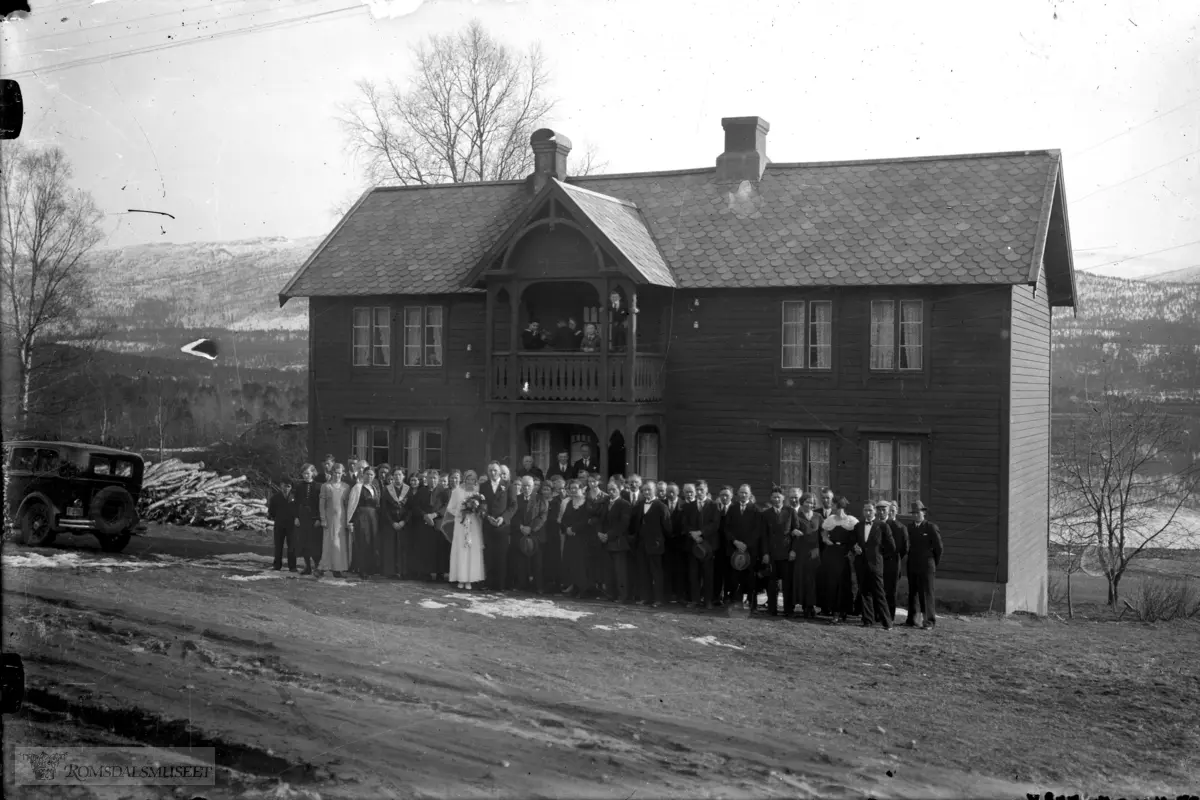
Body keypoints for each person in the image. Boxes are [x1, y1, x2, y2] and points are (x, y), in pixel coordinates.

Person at [851, 502, 895, 630]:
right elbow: (852, 541)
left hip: (875, 565)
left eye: (870, 510)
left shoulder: (882, 526)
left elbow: (891, 547)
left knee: (879, 593)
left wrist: (879, 555)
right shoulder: (858, 526)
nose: (868, 513)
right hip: (861, 564)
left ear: (874, 511)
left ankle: (887, 623)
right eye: (865, 510)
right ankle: (867, 620)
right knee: (864, 592)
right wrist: (855, 547)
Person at [630, 480, 672, 607]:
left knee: (656, 573)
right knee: (643, 571)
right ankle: (645, 597)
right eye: (644, 490)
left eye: (649, 490)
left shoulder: (661, 506)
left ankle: (658, 599)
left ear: (655, 491)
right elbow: (635, 524)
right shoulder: (640, 505)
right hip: (642, 545)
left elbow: (668, 528)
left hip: (655, 545)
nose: (646, 492)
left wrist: (659, 540)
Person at [906, 501, 943, 630]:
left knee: (927, 593)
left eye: (918, 513)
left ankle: (929, 621)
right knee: (913, 592)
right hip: (913, 564)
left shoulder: (930, 527)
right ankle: (913, 619)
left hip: (927, 565)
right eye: (914, 513)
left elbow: (939, 548)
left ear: (924, 513)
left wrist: (933, 562)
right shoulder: (910, 528)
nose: (916, 515)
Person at [820, 497, 858, 623]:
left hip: (844, 554)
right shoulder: (830, 520)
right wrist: (825, 539)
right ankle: (834, 611)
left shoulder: (851, 521)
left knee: (844, 582)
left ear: (841, 507)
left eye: (835, 506)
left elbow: (857, 536)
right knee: (832, 582)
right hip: (831, 553)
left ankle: (844, 610)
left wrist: (853, 548)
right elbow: (824, 532)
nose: (834, 508)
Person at [762, 487, 798, 617]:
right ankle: (772, 609)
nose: (776, 499)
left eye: (778, 497)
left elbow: (795, 532)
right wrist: (765, 553)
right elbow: (764, 535)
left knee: (787, 583)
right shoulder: (766, 514)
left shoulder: (790, 512)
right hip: (772, 554)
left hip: (787, 553)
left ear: (783, 498)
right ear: (770, 499)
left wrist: (793, 550)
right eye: (774, 497)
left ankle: (788, 609)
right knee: (772, 583)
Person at [725, 484, 761, 612]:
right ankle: (737, 602)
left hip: (749, 550)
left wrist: (746, 544)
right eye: (741, 492)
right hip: (735, 548)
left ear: (750, 494)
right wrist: (735, 542)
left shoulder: (755, 510)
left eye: (746, 493)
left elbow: (757, 530)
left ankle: (752, 604)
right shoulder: (732, 509)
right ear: (737, 494)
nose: (743, 495)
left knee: (750, 577)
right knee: (735, 577)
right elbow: (727, 528)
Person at [447, 470, 485, 589]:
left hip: (473, 524)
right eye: (468, 479)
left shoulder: (477, 492)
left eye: (473, 479)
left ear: (475, 481)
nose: (470, 481)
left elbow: (482, 508)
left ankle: (470, 579)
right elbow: (450, 508)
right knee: (461, 549)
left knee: (472, 550)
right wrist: (461, 511)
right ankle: (460, 578)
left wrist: (475, 510)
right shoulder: (457, 491)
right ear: (464, 479)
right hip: (461, 524)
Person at [481, 461, 515, 591]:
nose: (493, 473)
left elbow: (513, 505)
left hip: (502, 526)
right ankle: (490, 583)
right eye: (490, 470)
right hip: (488, 525)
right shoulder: (483, 486)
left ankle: (500, 585)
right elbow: (481, 504)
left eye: (495, 470)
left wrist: (503, 518)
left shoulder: (508, 486)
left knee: (501, 556)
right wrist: (487, 516)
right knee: (489, 554)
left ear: (500, 472)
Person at [512, 476, 549, 593]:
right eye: (524, 486)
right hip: (520, 534)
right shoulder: (516, 499)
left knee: (537, 563)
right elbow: (513, 515)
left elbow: (542, 517)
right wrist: (521, 527)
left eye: (529, 485)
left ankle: (539, 587)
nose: (526, 488)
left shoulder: (540, 499)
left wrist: (531, 528)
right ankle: (521, 585)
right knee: (520, 563)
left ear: (533, 487)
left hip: (536, 535)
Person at [599, 479, 634, 603]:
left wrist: (609, 535)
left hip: (618, 542)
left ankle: (622, 595)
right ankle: (610, 594)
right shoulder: (605, 502)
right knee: (609, 570)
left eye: (614, 490)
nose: (611, 492)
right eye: (609, 490)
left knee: (620, 571)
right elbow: (600, 520)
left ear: (620, 490)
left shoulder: (625, 504)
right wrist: (600, 534)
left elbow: (623, 525)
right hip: (606, 542)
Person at [559, 480, 595, 598]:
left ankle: (583, 589)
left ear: (582, 489)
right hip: (570, 538)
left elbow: (586, 520)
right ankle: (573, 586)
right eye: (571, 488)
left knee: (581, 563)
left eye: (576, 488)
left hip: (582, 538)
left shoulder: (587, 502)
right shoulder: (569, 503)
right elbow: (563, 519)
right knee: (570, 562)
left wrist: (574, 529)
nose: (573, 490)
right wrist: (567, 529)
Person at [790, 490, 823, 618]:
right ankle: (804, 606)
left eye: (812, 503)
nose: (810, 505)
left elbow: (824, 532)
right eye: (808, 502)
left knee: (812, 580)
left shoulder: (818, 517)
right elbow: (791, 533)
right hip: (801, 551)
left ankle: (811, 606)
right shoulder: (796, 515)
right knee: (802, 579)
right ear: (802, 502)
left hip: (814, 553)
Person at [676, 484, 707, 609]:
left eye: (691, 492)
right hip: (690, 543)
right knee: (692, 573)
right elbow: (684, 524)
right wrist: (692, 535)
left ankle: (704, 597)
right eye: (687, 492)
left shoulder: (705, 505)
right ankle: (693, 598)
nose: (689, 494)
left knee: (704, 574)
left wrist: (701, 535)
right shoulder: (685, 507)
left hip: (705, 543)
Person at [346, 467, 380, 579]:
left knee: (372, 542)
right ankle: (362, 569)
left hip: (373, 517)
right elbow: (352, 504)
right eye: (367, 474)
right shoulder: (358, 487)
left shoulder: (374, 488)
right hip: (361, 517)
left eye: (371, 475)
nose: (369, 477)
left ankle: (371, 568)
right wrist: (350, 521)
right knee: (363, 541)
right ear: (363, 475)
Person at [318, 463, 350, 577]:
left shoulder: (346, 487)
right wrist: (323, 519)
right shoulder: (326, 486)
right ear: (332, 473)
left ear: (343, 473)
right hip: (329, 518)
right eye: (335, 472)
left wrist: (348, 520)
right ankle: (323, 567)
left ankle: (338, 568)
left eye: (339, 473)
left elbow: (347, 505)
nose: (337, 475)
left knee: (340, 544)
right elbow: (322, 504)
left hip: (341, 519)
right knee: (328, 543)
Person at [293, 464, 323, 576]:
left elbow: (321, 504)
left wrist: (319, 518)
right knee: (304, 542)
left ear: (313, 473)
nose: (306, 476)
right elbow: (296, 503)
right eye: (304, 473)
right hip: (303, 517)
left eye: (308, 473)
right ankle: (307, 566)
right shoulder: (299, 486)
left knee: (314, 543)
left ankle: (317, 567)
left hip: (314, 518)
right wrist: (296, 517)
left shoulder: (318, 486)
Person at [882, 500, 909, 623]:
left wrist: (897, 556)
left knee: (891, 591)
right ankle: (880, 615)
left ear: (896, 512)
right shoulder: (882, 525)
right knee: (881, 589)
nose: (891, 513)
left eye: (893, 511)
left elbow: (905, 547)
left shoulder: (901, 528)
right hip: (882, 561)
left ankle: (890, 616)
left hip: (894, 562)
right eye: (890, 511)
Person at [662, 482, 689, 604]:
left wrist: (678, 535)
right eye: (669, 492)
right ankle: (667, 594)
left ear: (678, 493)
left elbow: (686, 524)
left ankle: (679, 595)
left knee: (679, 570)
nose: (671, 494)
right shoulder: (661, 504)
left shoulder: (684, 505)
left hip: (679, 542)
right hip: (666, 542)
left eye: (673, 492)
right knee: (666, 569)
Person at [380, 469, 409, 579]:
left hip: (403, 523)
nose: (397, 477)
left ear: (403, 476)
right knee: (390, 547)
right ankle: (390, 571)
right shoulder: (387, 490)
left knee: (402, 547)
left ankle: (402, 571)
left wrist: (404, 521)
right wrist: (392, 522)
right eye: (395, 475)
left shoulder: (407, 490)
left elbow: (410, 508)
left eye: (399, 475)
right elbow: (384, 508)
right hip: (390, 523)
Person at [542, 476, 567, 593]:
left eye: (548, 489)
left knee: (555, 558)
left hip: (554, 533)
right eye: (544, 489)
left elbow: (556, 518)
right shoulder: (541, 501)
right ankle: (547, 582)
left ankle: (556, 584)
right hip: (544, 532)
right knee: (546, 558)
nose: (546, 491)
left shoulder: (556, 502)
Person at [268, 478, 297, 572]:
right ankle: (277, 565)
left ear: (291, 487)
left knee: (292, 546)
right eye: (284, 486)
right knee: (278, 546)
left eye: (288, 486)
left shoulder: (294, 497)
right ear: (281, 485)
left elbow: (298, 510)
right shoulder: (275, 498)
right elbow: (271, 512)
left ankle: (292, 566)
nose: (286, 488)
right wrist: (277, 518)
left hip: (291, 526)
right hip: (279, 525)